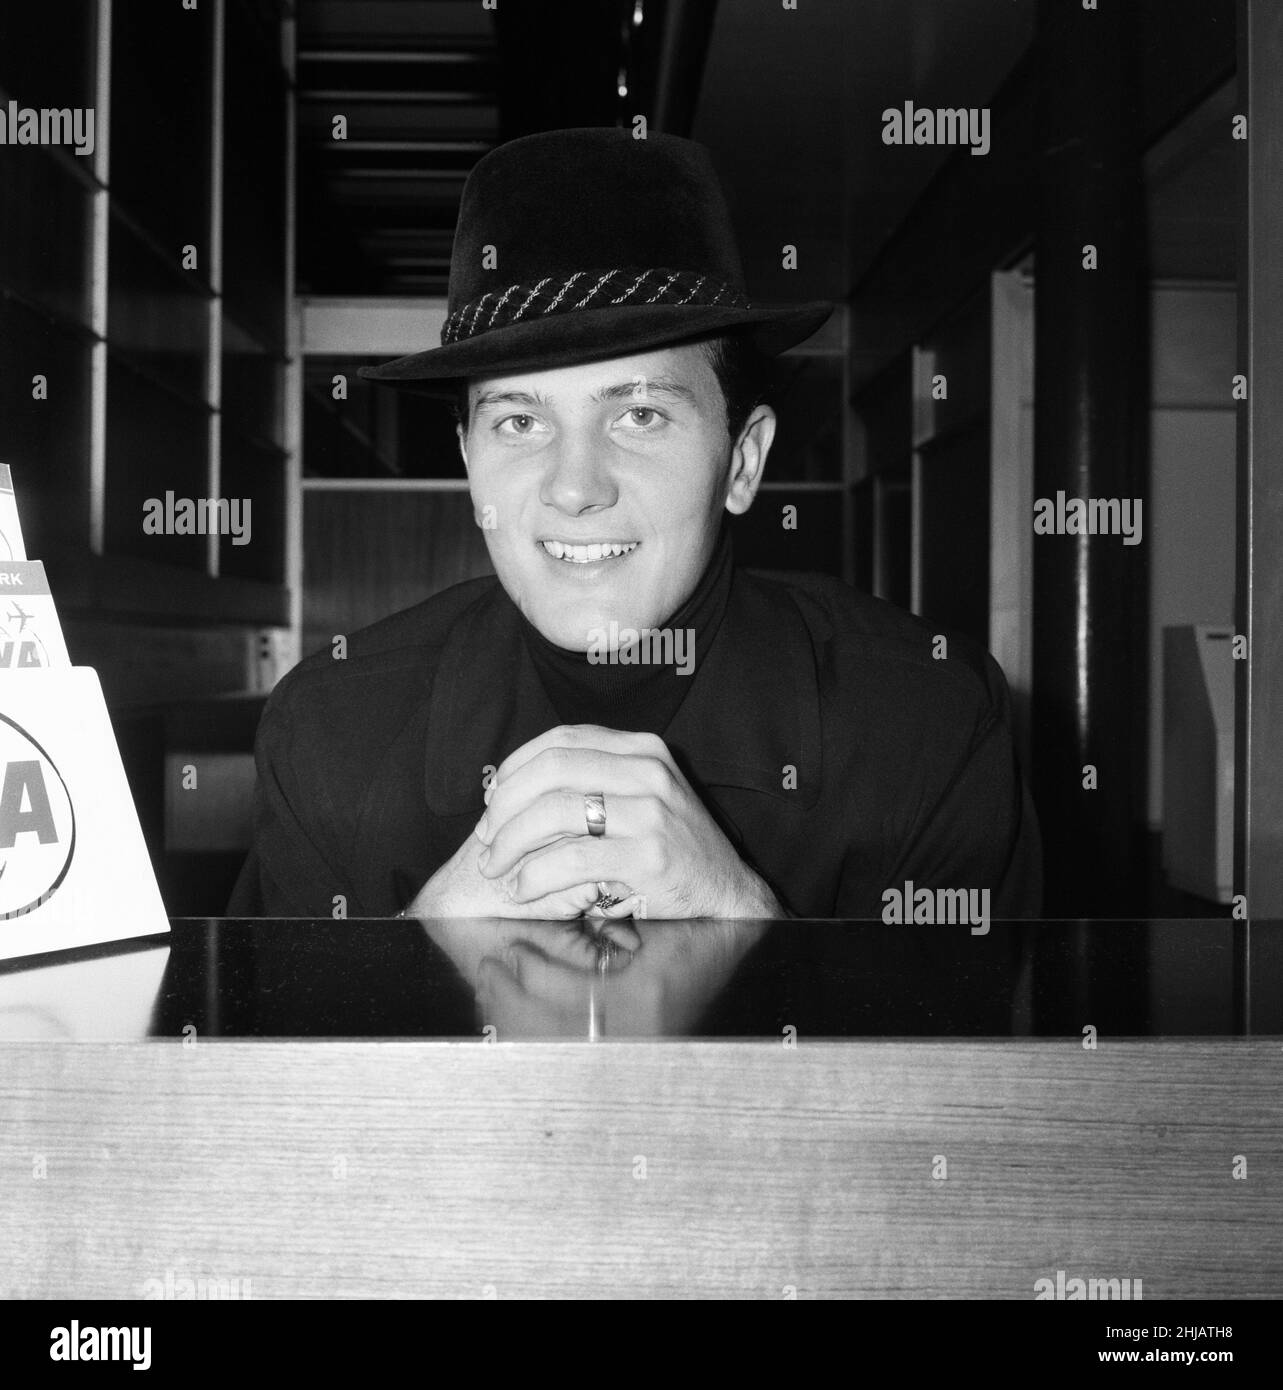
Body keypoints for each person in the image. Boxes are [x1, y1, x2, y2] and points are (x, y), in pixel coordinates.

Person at [228, 127, 1040, 921]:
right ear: (470, 461)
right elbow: (257, 1056)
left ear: (743, 462)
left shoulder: (926, 725)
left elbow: (988, 1050)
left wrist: (744, 921)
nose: (575, 488)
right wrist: (416, 958)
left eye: (640, 415)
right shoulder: (327, 731)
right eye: (518, 422)